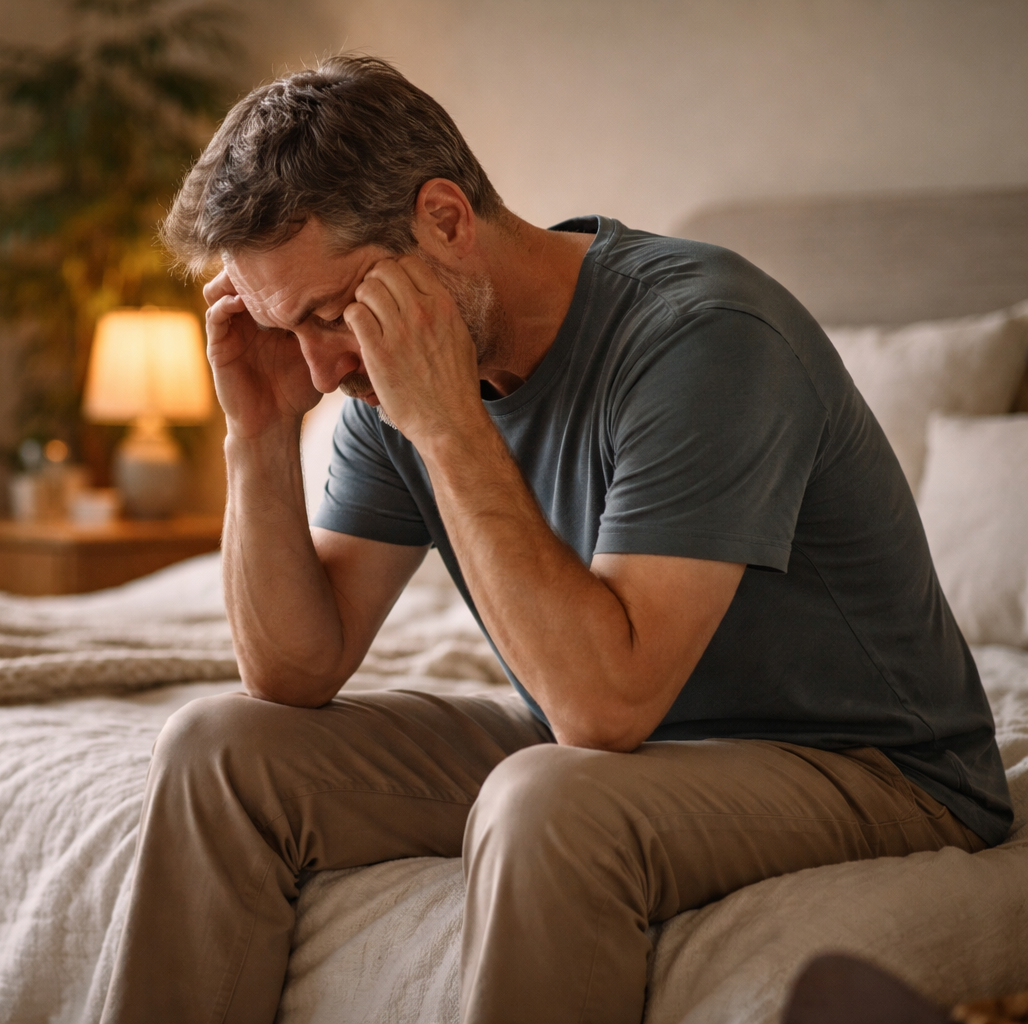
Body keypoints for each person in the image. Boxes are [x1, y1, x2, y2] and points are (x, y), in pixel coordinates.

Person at [99, 55, 1011, 1024]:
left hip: (870, 767)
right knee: (219, 747)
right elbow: (294, 671)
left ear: (445, 220)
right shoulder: (373, 366)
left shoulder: (703, 334)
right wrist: (258, 435)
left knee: (546, 799)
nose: (324, 366)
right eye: (293, 327)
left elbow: (603, 707)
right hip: (615, 745)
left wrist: (449, 425)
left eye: (333, 312)